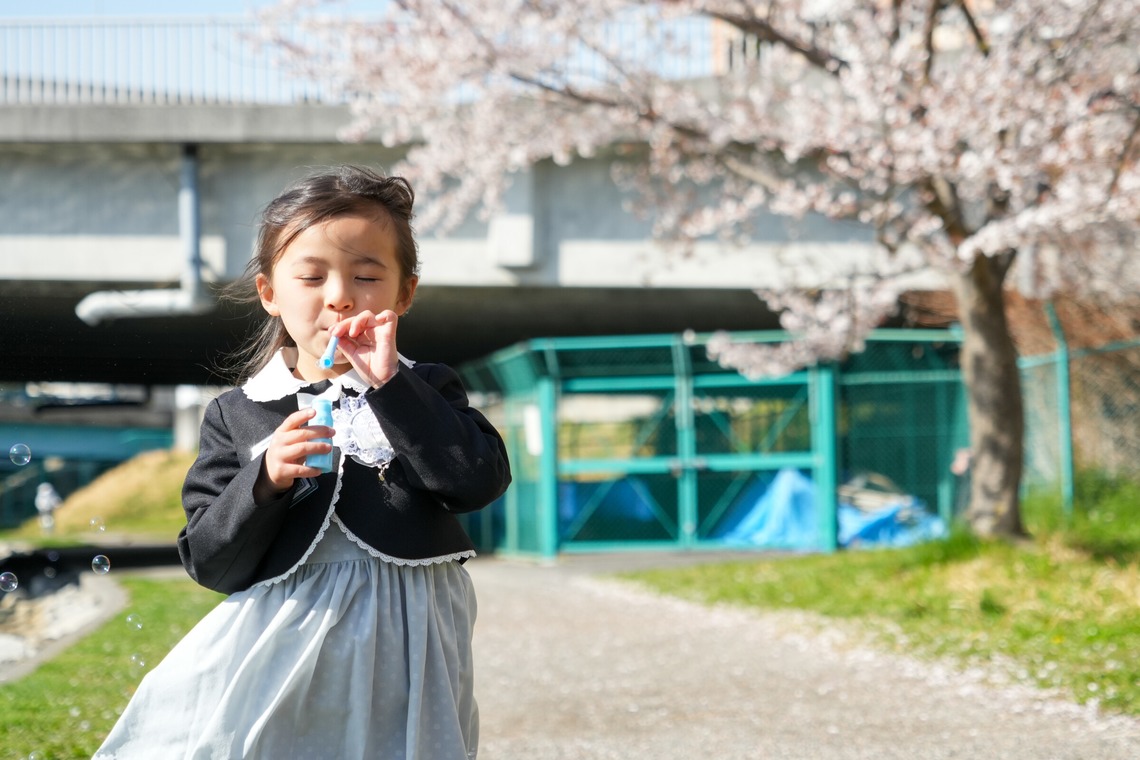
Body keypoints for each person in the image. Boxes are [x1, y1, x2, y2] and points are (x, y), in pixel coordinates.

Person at [94, 166, 511, 759]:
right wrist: (262, 481)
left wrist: (391, 387)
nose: (340, 295)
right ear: (270, 294)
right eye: (311, 276)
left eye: (367, 275)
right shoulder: (239, 412)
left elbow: (477, 481)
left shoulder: (427, 388)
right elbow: (209, 561)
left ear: (405, 293)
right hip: (279, 633)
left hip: (410, 630)